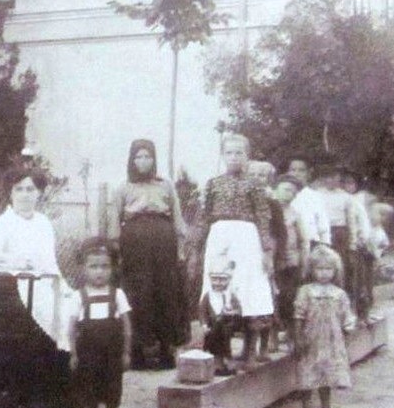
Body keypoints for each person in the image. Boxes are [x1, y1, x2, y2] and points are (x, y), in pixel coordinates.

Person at [0, 165, 76, 408]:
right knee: (43, 316)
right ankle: (30, 399)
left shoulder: (43, 223)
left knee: (71, 309)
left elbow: (50, 263)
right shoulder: (4, 223)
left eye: (30, 189)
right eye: (19, 189)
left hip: (44, 282)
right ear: (10, 193)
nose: (25, 195)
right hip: (12, 288)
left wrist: (60, 286)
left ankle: (65, 397)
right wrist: (17, 263)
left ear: (39, 193)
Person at [111, 139, 187, 370]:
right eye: (138, 157)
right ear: (131, 160)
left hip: (163, 240)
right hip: (134, 241)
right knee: (138, 292)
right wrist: (115, 249)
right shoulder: (124, 187)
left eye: (147, 157)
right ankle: (138, 352)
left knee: (165, 290)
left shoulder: (166, 185)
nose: (143, 161)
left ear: (154, 159)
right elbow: (115, 218)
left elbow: (176, 216)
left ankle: (166, 350)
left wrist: (181, 249)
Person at [199, 134, 274, 369]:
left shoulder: (254, 185)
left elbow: (263, 217)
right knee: (218, 289)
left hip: (247, 239)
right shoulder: (213, 183)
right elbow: (204, 217)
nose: (234, 157)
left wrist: (266, 250)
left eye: (239, 153)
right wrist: (196, 247)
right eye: (229, 152)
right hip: (220, 237)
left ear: (247, 156)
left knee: (248, 291)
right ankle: (220, 353)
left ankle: (249, 351)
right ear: (223, 155)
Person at [66, 238, 132, 408]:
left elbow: (126, 327)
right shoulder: (79, 297)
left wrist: (126, 352)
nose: (99, 272)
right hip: (88, 355)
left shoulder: (118, 295)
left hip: (112, 355)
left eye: (104, 266)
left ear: (112, 268)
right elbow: (72, 328)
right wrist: (74, 353)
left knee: (113, 392)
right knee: (90, 392)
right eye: (93, 266)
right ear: (83, 268)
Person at [294, 244, 356, 408]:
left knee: (328, 370)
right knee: (308, 369)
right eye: (319, 269)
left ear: (335, 270)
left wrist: (346, 334)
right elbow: (298, 316)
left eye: (328, 269)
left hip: (332, 339)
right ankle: (306, 407)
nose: (324, 273)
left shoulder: (339, 294)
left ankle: (326, 406)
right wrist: (298, 338)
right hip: (311, 338)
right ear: (312, 269)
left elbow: (346, 316)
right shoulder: (306, 291)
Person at [247, 160, 285, 361]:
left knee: (267, 300)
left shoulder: (272, 202)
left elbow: (280, 232)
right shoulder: (244, 200)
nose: (256, 178)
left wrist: (275, 257)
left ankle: (266, 343)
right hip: (247, 255)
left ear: (268, 179)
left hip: (266, 256)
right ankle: (249, 348)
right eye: (252, 174)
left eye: (261, 175)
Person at [272, 174, 308, 351]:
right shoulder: (268, 210)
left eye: (294, 192)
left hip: (290, 262)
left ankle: (292, 335)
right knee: (271, 299)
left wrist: (303, 262)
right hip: (270, 262)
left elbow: (303, 240)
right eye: (286, 189)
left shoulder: (294, 214)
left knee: (289, 298)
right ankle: (271, 337)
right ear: (275, 189)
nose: (290, 194)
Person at [199, 259, 242, 376]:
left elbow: (239, 310)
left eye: (222, 280)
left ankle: (226, 360)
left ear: (228, 280)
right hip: (212, 328)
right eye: (215, 279)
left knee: (224, 339)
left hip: (226, 327)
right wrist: (204, 324)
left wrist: (232, 312)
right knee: (213, 340)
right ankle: (217, 363)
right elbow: (203, 312)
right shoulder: (208, 296)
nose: (218, 283)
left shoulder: (230, 296)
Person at [342, 169, 375, 323]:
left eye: (351, 183)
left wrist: (364, 238)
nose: (348, 186)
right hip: (343, 243)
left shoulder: (356, 202)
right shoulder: (340, 200)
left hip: (357, 244)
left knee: (360, 279)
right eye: (345, 183)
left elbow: (364, 223)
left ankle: (362, 312)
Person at [288, 157, 332, 249]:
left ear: (308, 173)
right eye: (293, 170)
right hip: (289, 245)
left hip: (312, 243)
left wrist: (325, 245)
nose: (296, 174)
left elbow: (323, 226)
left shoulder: (316, 196)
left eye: (301, 170)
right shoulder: (281, 196)